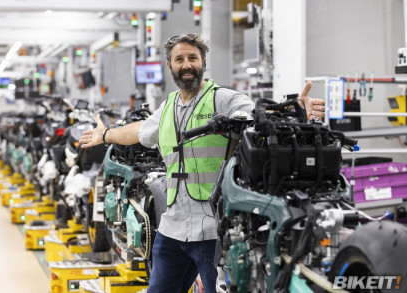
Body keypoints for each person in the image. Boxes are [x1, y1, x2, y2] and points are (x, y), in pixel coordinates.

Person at [79, 33, 325, 293]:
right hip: (172, 228)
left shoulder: (224, 99)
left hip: (214, 232)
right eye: (179, 59)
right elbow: (140, 131)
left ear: (203, 61)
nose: (186, 65)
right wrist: (105, 135)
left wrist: (292, 111)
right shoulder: (167, 107)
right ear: (170, 65)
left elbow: (257, 116)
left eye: (192, 58)